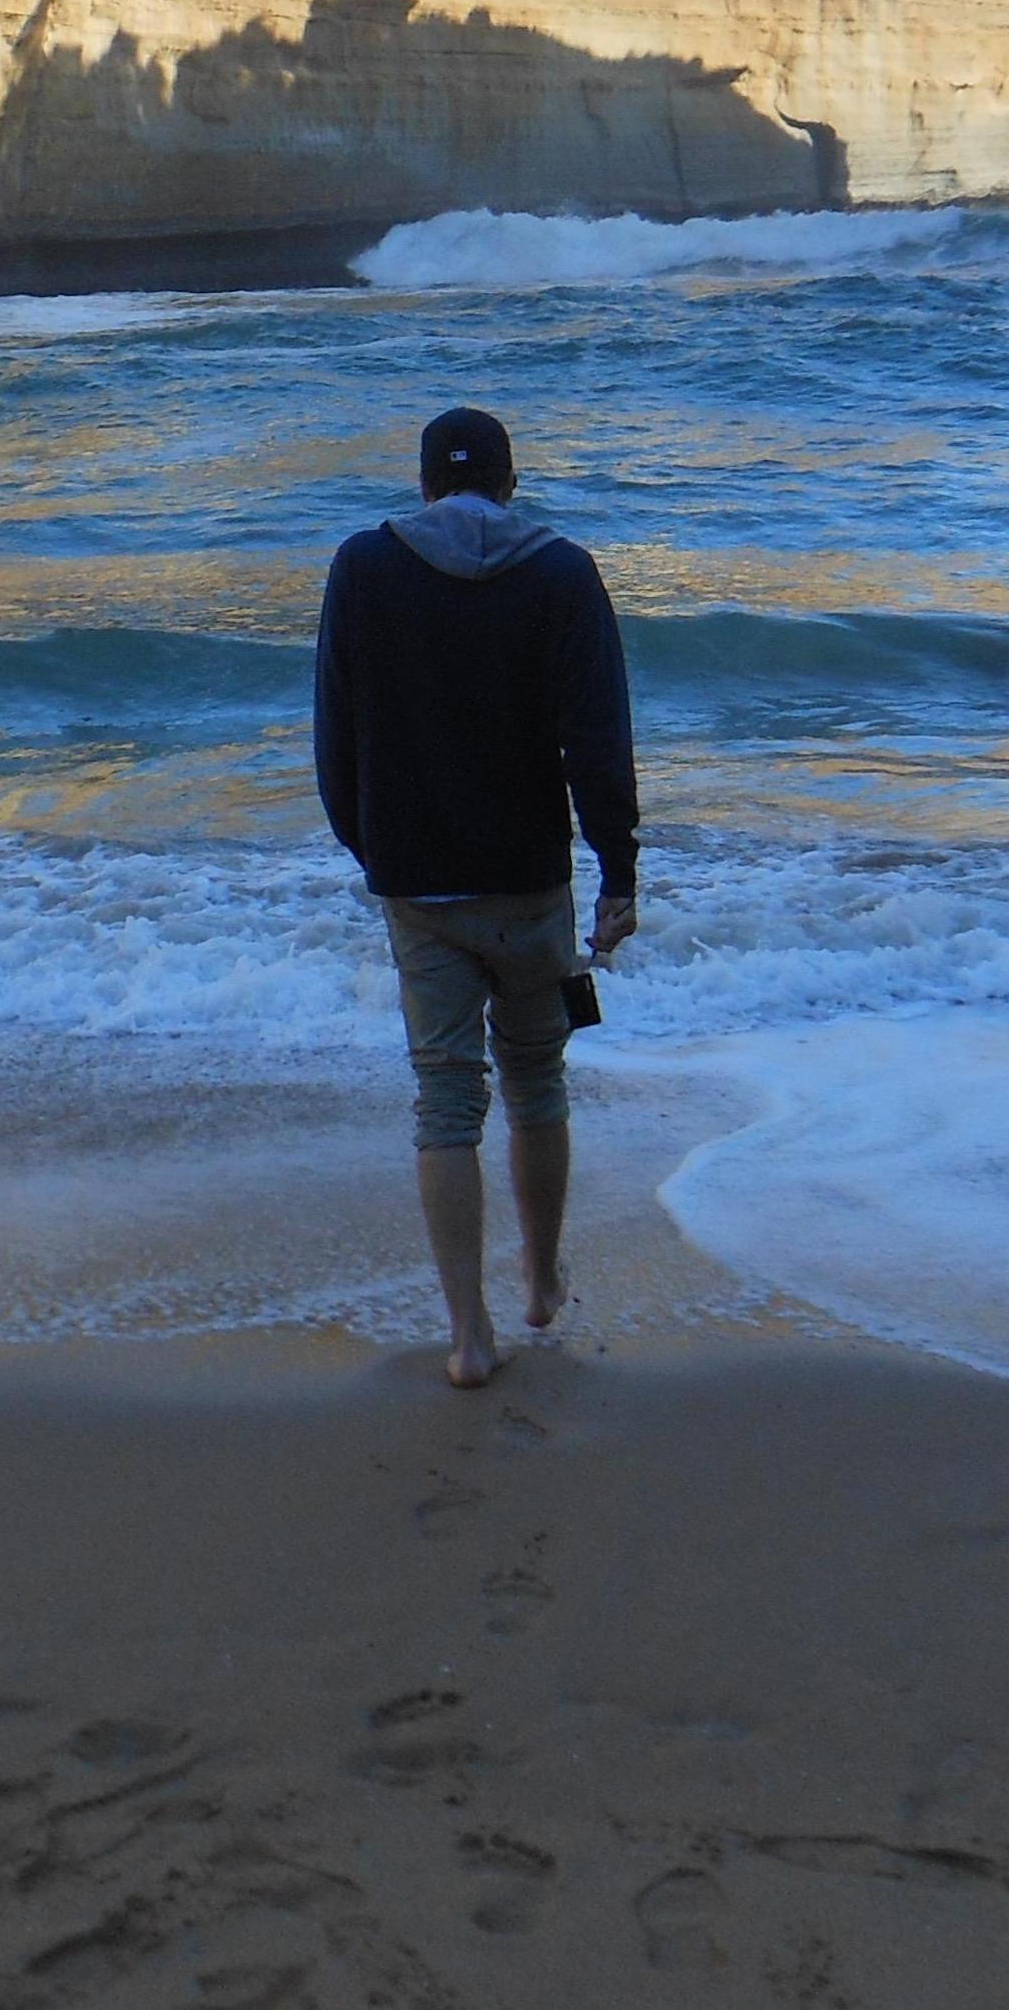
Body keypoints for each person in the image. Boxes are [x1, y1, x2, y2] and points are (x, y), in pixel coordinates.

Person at [314, 403, 640, 1387]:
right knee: (537, 1083)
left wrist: (376, 850)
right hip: (529, 882)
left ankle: (469, 1337)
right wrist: (618, 872)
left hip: (417, 882)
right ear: (511, 483)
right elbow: (597, 741)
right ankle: (541, 1284)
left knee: (445, 1099)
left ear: (421, 486)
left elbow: (335, 742)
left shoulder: (362, 570)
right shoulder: (561, 573)